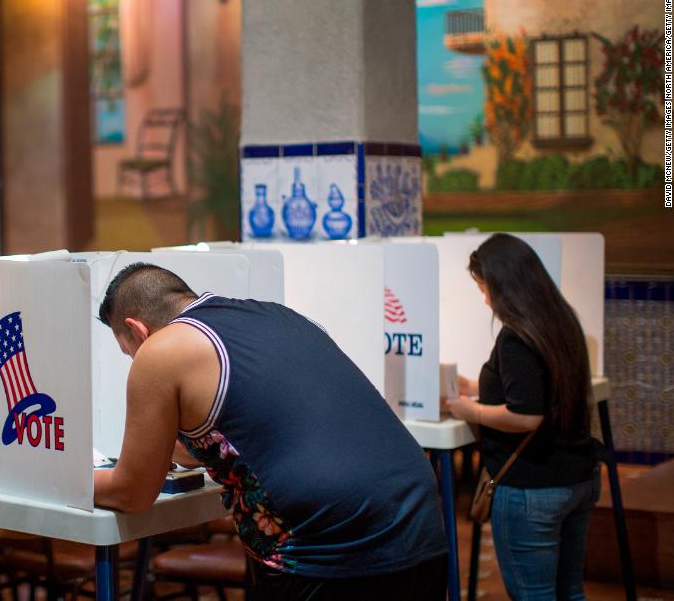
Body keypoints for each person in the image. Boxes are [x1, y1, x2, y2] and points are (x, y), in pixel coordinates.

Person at [94, 263, 447, 600]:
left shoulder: (161, 348)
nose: (134, 360)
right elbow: (244, 431)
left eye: (129, 352)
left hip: (330, 551)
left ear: (138, 330)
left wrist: (60, 479)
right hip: (420, 526)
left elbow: (133, 493)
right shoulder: (276, 315)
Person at [445, 233, 601, 601]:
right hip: (578, 477)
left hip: (532, 486)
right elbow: (545, 393)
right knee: (570, 591)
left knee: (534, 594)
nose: (485, 299)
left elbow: (527, 415)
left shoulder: (516, 336)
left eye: (484, 288)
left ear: (503, 285)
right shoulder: (561, 322)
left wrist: (471, 410)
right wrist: (480, 389)